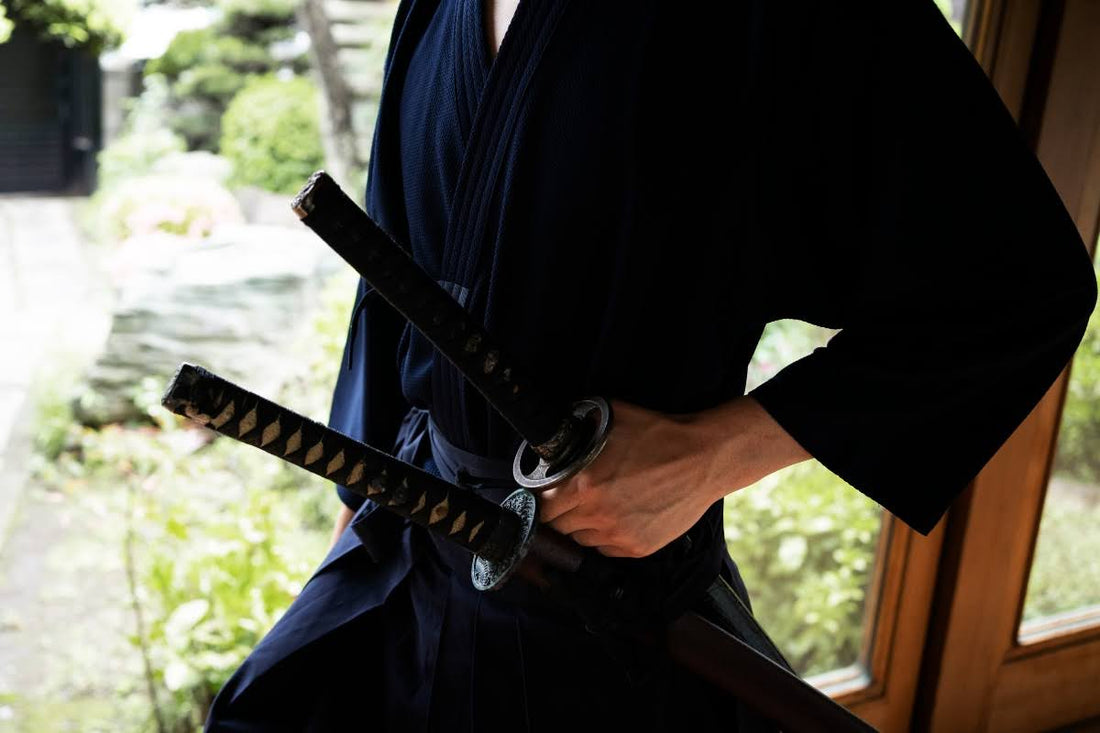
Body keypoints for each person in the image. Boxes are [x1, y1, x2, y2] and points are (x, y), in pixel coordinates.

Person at [205, 0, 1098, 729]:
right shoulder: (436, 7)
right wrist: (359, 508)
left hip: (604, 608)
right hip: (418, 555)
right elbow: (391, 286)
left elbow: (1015, 285)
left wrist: (717, 454)